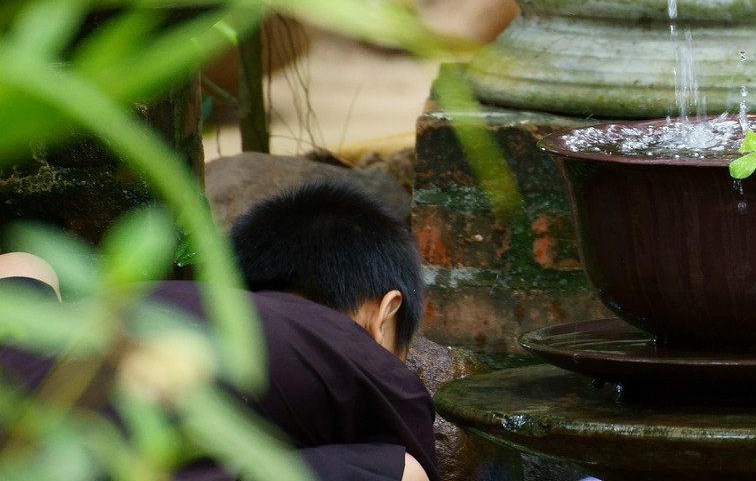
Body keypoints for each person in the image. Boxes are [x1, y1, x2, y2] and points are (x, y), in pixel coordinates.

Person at [1, 181, 438, 481]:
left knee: (24, 265)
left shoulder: (182, 303)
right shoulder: (353, 350)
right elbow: (414, 466)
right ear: (384, 314)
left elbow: (16, 263)